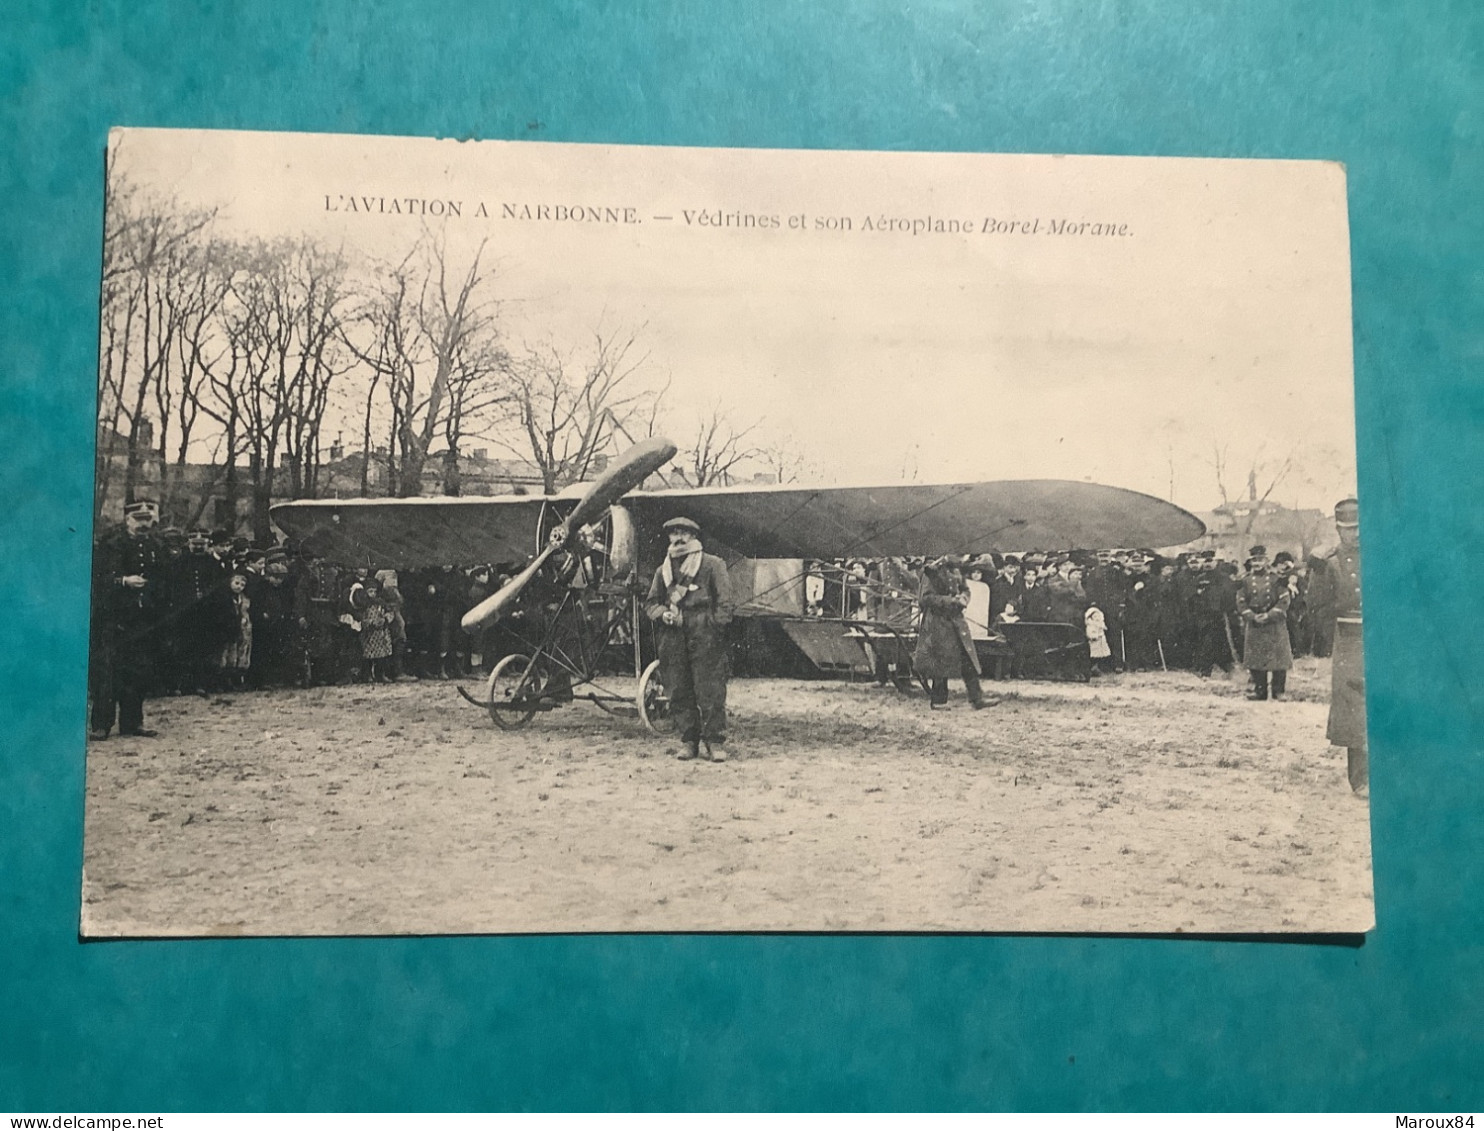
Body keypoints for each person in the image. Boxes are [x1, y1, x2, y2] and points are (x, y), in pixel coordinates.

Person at [644, 517, 735, 761]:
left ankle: (715, 743)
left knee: (710, 690)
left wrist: (713, 627)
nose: (679, 537)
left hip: (703, 632)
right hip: (672, 636)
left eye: (684, 532)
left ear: (694, 537)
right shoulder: (662, 571)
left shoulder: (712, 564)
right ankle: (689, 741)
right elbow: (651, 603)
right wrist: (663, 615)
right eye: (673, 533)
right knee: (677, 690)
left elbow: (725, 603)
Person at [90, 499, 164, 739]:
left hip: (142, 618)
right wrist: (123, 581)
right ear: (127, 520)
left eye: (146, 520)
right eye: (138, 520)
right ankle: (102, 725)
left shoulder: (154, 545)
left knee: (138, 671)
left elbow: (162, 577)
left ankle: (133, 723)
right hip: (115, 618)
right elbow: (99, 580)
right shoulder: (110, 545)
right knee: (110, 672)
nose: (143, 525)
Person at [1324, 497, 1368, 794]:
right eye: (1348, 529)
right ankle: (1360, 779)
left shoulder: (1380, 554)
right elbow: (1319, 606)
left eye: (1357, 527)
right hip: (1349, 639)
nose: (1354, 534)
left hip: (1380, 636)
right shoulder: (1329, 563)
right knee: (1354, 709)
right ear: (1338, 529)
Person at [914, 556, 996, 710]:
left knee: (967, 658)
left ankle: (977, 699)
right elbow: (925, 599)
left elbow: (965, 589)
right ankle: (938, 701)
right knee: (940, 662)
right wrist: (950, 601)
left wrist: (964, 598)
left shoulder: (956, 569)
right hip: (938, 623)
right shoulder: (931, 571)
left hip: (956, 621)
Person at [1237, 545, 1293, 700]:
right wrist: (1252, 616)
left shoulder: (1277, 580)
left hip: (1274, 624)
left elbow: (1284, 600)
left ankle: (1278, 691)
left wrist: (1269, 615)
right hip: (1255, 623)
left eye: (1260, 560)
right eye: (1254, 560)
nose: (1257, 563)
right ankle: (1260, 691)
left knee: (1279, 659)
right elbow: (1241, 602)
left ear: (1267, 561)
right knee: (1257, 659)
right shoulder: (1245, 581)